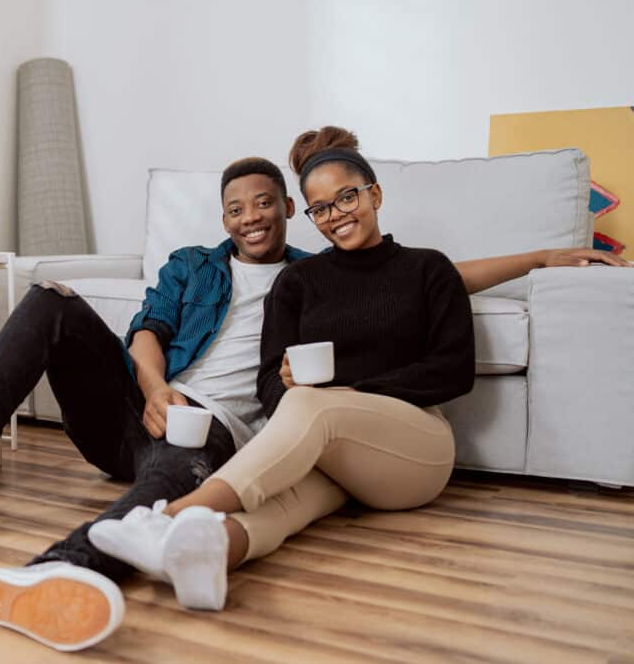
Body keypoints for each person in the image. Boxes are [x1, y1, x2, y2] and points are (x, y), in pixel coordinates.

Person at [0, 140, 627, 651]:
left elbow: (430, 282)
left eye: (275, 203)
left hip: (223, 435)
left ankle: (74, 566)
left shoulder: (323, 272)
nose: (255, 216)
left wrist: (546, 255)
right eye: (237, 207)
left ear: (296, 212)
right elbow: (154, 329)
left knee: (203, 463)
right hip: (148, 406)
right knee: (51, 297)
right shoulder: (215, 267)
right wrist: (155, 388)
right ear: (225, 217)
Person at [88, 125, 631, 617]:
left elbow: (452, 373)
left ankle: (167, 515)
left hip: (412, 447)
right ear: (309, 215)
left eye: (347, 196)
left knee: (309, 405)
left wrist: (341, 395)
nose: (337, 213)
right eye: (321, 207)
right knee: (284, 505)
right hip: (332, 452)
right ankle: (206, 556)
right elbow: (267, 385)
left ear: (375, 195)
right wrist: (300, 398)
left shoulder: (427, 269)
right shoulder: (297, 283)